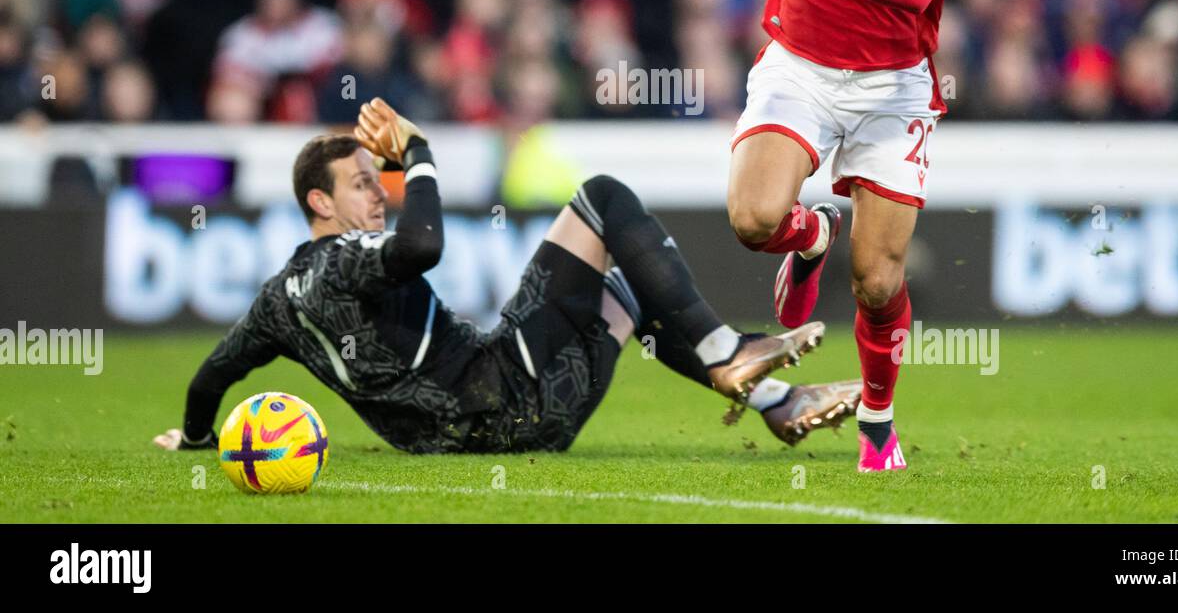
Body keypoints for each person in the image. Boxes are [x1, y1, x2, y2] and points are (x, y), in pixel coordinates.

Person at [619, 0, 950, 472]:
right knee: (754, 216)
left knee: (876, 284)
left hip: (892, 86)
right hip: (799, 62)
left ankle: (877, 421)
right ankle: (811, 235)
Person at [153, 98, 861, 456]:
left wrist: (195, 438)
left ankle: (775, 399)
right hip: (517, 396)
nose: (379, 191)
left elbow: (209, 379)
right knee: (606, 198)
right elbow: (422, 247)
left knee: (626, 284)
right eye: (364, 183)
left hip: (497, 427)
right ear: (319, 203)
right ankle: (725, 353)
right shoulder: (345, 259)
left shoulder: (277, 302)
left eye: (382, 178)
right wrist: (418, 152)